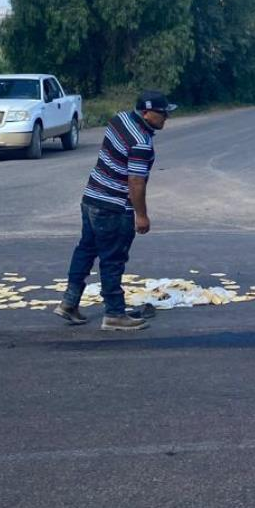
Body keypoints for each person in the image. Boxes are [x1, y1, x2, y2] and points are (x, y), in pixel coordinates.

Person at [55, 90, 176, 331]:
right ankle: (114, 314)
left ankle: (69, 302)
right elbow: (136, 182)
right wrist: (141, 215)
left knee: (86, 250)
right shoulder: (141, 142)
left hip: (91, 198)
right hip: (113, 206)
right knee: (113, 259)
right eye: (162, 114)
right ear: (146, 113)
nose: (166, 118)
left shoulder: (119, 119)